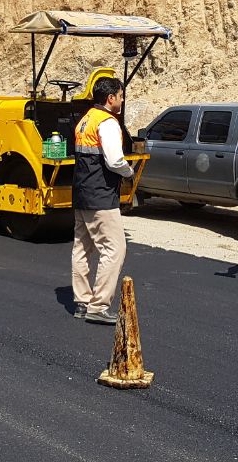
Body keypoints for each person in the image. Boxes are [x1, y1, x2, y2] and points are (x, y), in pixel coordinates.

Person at [70, 76, 133, 325]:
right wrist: (129, 172)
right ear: (110, 98)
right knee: (115, 248)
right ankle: (98, 305)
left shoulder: (85, 120)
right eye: (120, 95)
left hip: (82, 193)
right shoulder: (107, 123)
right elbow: (115, 160)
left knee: (82, 248)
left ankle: (82, 301)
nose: (122, 99)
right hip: (101, 197)